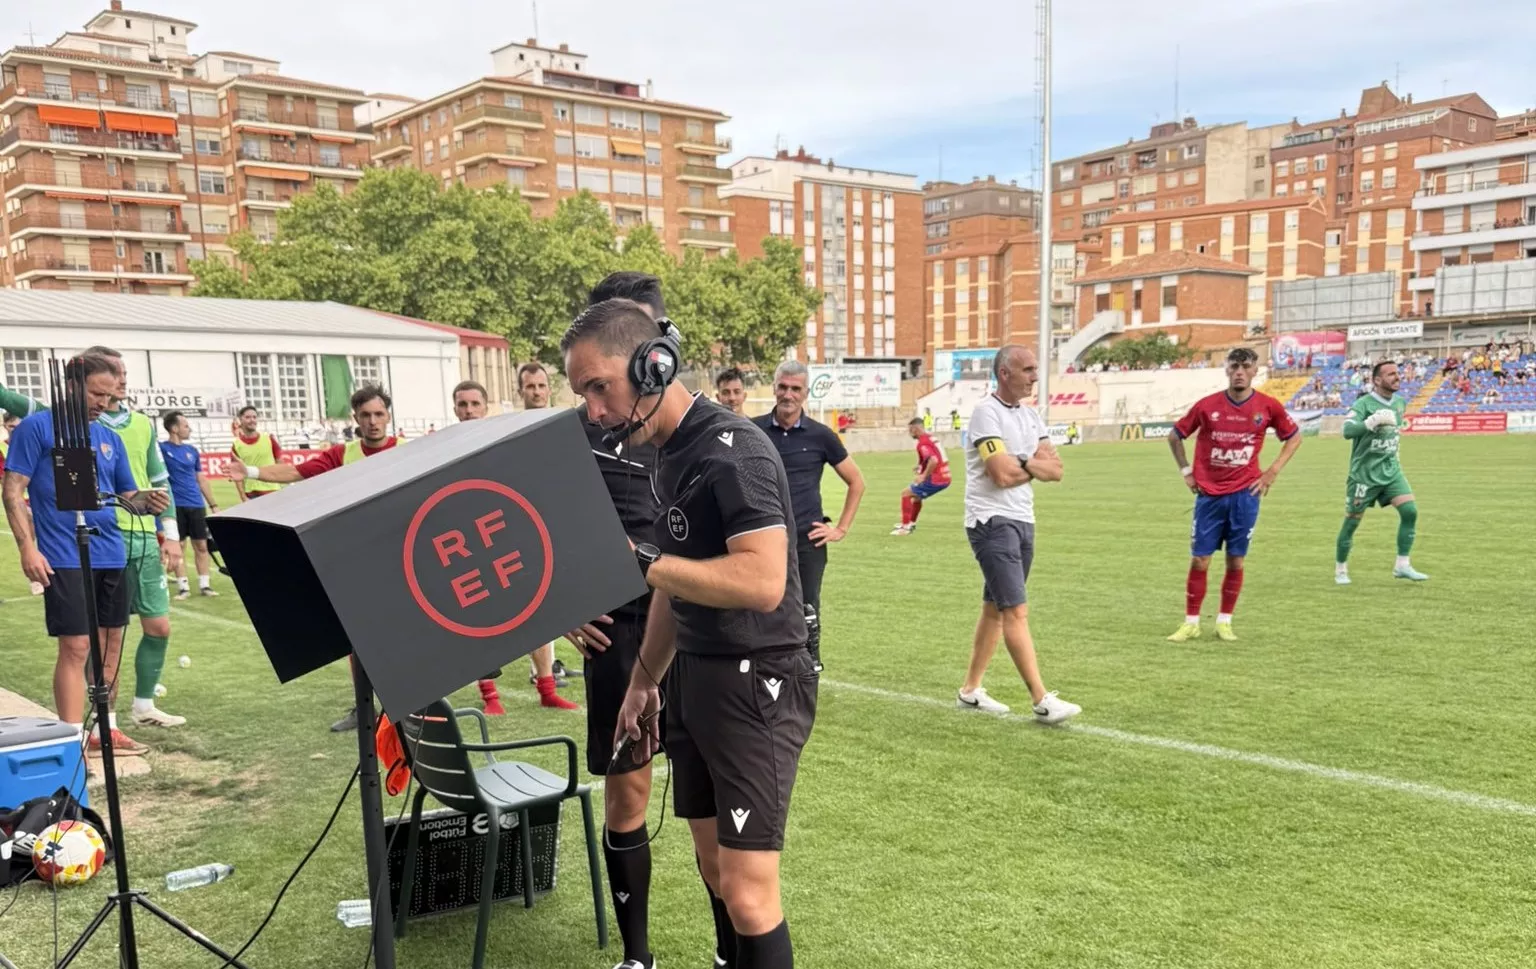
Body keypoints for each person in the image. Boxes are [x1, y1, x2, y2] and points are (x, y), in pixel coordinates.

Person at [564, 297, 814, 969]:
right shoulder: (666, 452)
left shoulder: (735, 448)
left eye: (599, 387)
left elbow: (763, 580)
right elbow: (680, 583)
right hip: (696, 674)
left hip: (756, 680)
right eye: (582, 393)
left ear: (653, 366)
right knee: (714, 869)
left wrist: (640, 560)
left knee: (748, 893)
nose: (593, 410)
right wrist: (645, 680)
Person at [583, 269, 737, 969]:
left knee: (713, 810)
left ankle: (730, 951)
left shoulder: (707, 433)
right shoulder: (584, 426)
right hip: (620, 630)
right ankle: (637, 957)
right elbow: (538, 529)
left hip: (700, 628)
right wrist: (564, 608)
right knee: (629, 794)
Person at [2, 353, 170, 751]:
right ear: (72, 385)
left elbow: (126, 496)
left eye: (110, 397)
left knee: (111, 645)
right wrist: (28, 549)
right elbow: (12, 490)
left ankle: (104, 730)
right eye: (97, 394)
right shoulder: (36, 428)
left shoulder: (109, 438)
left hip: (111, 551)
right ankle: (71, 739)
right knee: (76, 646)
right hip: (64, 554)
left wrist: (149, 501)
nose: (104, 404)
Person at [227, 383, 404, 732]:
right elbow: (297, 472)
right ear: (355, 418)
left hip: (398, 553)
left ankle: (408, 702)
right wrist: (250, 472)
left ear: (388, 416)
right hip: (356, 555)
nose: (372, 421)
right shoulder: (341, 454)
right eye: (365, 415)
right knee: (357, 633)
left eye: (378, 414)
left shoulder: (407, 450)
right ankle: (364, 707)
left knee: (402, 628)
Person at [956, 346, 1080, 723]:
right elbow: (1000, 474)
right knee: (1015, 610)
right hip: (992, 521)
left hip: (1023, 518)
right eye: (1027, 369)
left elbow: (1056, 470)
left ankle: (970, 690)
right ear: (1004, 374)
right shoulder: (986, 413)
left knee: (995, 608)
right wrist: (1032, 463)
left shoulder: (1031, 416)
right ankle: (1041, 699)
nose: (1034, 376)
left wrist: (1022, 460)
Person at [1166, 347, 1302, 643]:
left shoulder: (1268, 406)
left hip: (1245, 495)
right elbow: (1175, 435)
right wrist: (1186, 471)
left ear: (1255, 371)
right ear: (1227, 369)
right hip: (1210, 495)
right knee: (1200, 560)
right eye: (1234, 366)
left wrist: (1272, 471)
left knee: (1236, 561)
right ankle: (1191, 623)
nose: (1239, 372)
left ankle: (1224, 622)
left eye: (1245, 366)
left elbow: (1294, 437)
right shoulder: (1207, 406)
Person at [752, 360, 865, 673]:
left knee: (807, 609)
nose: (788, 394)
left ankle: (806, 670)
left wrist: (840, 529)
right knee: (762, 605)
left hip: (807, 538)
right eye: (783, 387)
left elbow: (857, 482)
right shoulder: (753, 430)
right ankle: (766, 669)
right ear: (774, 388)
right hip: (763, 537)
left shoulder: (821, 435)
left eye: (795, 388)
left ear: (806, 393)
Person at [513, 362, 581, 712]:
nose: (537, 391)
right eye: (531, 386)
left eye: (541, 385)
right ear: (520, 391)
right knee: (531, 606)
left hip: (555, 524)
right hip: (521, 528)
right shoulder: (509, 432)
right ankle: (536, 680)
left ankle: (546, 673)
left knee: (553, 605)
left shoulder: (563, 425)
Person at [448, 379, 513, 718]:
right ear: (454, 409)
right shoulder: (442, 448)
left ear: (486, 407)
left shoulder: (501, 441)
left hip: (503, 534)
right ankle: (490, 695)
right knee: (477, 620)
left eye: (475, 404)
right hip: (465, 544)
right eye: (463, 405)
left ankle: (547, 684)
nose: (469, 410)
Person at [1336, 361, 1428, 584]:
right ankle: (1341, 569)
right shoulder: (1363, 404)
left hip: (1391, 470)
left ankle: (1402, 565)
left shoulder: (1400, 403)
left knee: (1410, 511)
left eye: (1398, 373)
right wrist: (1371, 422)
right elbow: (1347, 431)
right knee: (1352, 522)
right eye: (1391, 374)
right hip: (1364, 474)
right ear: (1377, 380)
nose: (1397, 377)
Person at [160, 411, 220, 600]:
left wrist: (213, 504)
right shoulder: (161, 449)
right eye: (186, 426)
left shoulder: (192, 451)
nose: (189, 429)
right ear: (174, 428)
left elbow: (201, 479)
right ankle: (183, 587)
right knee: (179, 546)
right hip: (175, 505)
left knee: (201, 545)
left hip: (196, 504)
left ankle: (205, 585)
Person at [892, 417, 949, 535]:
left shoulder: (923, 442)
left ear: (916, 429)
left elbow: (933, 460)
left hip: (936, 478)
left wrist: (923, 475)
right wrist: (920, 466)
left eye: (910, 430)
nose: (910, 433)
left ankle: (905, 528)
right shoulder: (931, 438)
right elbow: (934, 457)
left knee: (906, 494)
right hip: (945, 475)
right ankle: (911, 523)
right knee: (916, 498)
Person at [230, 405, 283, 501]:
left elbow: (280, 464)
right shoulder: (236, 445)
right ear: (240, 420)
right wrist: (243, 496)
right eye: (248, 417)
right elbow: (237, 473)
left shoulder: (269, 439)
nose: (252, 420)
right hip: (251, 494)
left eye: (254, 417)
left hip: (272, 491)